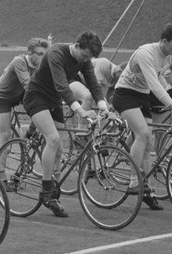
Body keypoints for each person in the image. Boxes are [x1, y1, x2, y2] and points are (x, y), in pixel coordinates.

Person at [112, 24, 172, 210]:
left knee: (147, 141)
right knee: (143, 134)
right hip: (125, 94)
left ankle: (145, 189)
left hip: (142, 95)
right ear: (164, 42)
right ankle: (134, 181)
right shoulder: (146, 53)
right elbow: (155, 85)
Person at [23, 31, 109, 217]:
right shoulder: (56, 53)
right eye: (85, 55)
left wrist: (104, 106)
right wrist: (80, 111)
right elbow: (62, 85)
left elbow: (93, 84)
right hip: (36, 96)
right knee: (53, 139)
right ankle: (46, 191)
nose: (86, 59)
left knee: (59, 148)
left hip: (53, 99)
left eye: (89, 58)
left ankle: (54, 190)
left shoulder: (83, 59)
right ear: (77, 46)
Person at [0, 37, 48, 156]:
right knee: (5, 134)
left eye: (45, 54)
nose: (43, 58)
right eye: (40, 54)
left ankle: (28, 135)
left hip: (21, 94)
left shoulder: (41, 64)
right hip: (4, 97)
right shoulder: (19, 61)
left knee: (43, 106)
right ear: (30, 54)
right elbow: (28, 85)